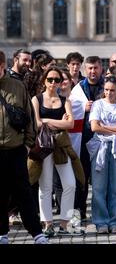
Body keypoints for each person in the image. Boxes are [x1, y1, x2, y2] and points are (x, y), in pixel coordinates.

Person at [0, 50, 48, 244]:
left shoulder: (18, 87)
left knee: (24, 193)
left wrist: (28, 145)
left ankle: (37, 233)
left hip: (16, 149)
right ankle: (2, 233)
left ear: (2, 65)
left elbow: (29, 119)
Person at [30, 66, 77, 237]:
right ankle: (48, 223)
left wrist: (46, 120)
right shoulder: (36, 99)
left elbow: (70, 124)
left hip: (60, 145)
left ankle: (64, 223)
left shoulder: (66, 101)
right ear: (44, 80)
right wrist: (58, 122)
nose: (53, 83)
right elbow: (35, 124)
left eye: (57, 80)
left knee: (70, 183)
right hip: (43, 145)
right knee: (45, 186)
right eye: (50, 79)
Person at [87, 75, 116, 234]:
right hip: (100, 147)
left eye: (112, 90)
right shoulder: (97, 104)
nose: (109, 93)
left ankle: (115, 221)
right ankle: (101, 222)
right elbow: (94, 128)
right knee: (98, 187)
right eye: (106, 90)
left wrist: (106, 127)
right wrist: (115, 129)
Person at [72, 56, 104, 221]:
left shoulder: (107, 87)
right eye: (90, 68)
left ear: (101, 68)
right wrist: (82, 108)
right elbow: (70, 107)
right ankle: (80, 212)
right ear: (85, 69)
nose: (92, 71)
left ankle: (101, 214)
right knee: (81, 179)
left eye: (96, 68)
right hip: (83, 139)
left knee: (101, 180)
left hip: (103, 139)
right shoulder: (78, 89)